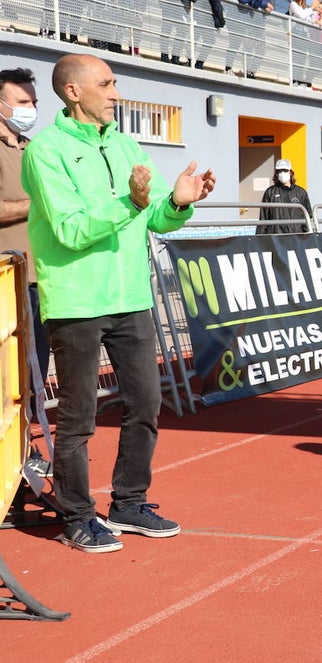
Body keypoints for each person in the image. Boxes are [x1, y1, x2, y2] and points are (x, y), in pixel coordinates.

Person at [21, 54, 216, 553]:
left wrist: (178, 203)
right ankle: (77, 515)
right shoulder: (45, 151)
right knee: (79, 417)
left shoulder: (126, 143)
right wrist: (129, 203)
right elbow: (69, 230)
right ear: (73, 92)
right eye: (107, 84)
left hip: (131, 297)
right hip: (76, 301)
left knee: (147, 404)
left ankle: (128, 503)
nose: (116, 93)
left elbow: (152, 219)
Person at [0, 67, 50, 384]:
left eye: (33, 102)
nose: (29, 109)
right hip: (5, 278)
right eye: (21, 101)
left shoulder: (33, 149)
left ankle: (28, 429)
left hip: (39, 278)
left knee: (35, 368)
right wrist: (37, 205)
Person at [256, 159, 312, 235]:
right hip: (276, 239)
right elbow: (263, 219)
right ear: (276, 173)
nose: (282, 173)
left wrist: (309, 236)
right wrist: (260, 238)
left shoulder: (301, 193)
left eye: (285, 170)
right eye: (279, 171)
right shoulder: (270, 192)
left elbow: (308, 217)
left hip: (297, 238)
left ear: (290, 172)